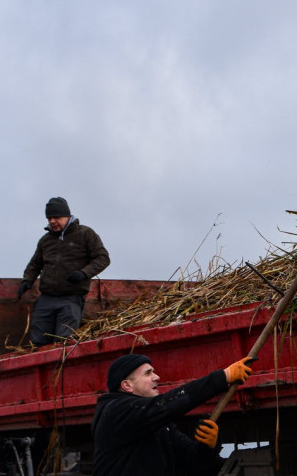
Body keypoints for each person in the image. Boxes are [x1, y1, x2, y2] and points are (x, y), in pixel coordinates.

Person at [91, 352, 254, 476]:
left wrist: (208, 447)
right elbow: (167, 404)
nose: (157, 377)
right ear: (127, 385)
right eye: (148, 373)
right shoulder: (115, 411)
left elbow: (191, 460)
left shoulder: (156, 423)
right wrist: (221, 378)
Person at [17, 196, 111, 345]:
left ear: (67, 216)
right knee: (38, 342)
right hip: (46, 299)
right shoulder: (45, 240)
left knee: (63, 342)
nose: (52, 221)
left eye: (56, 217)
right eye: (49, 218)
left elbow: (103, 258)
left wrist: (83, 273)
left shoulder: (85, 234)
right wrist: (27, 280)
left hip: (71, 299)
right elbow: (35, 264)